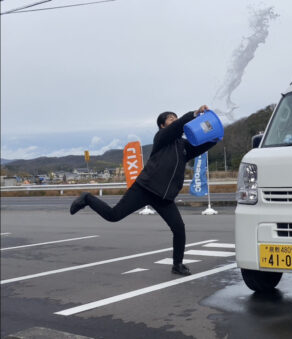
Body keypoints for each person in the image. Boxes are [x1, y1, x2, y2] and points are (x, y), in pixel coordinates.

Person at [69, 105, 217, 276]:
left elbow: (200, 146)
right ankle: (87, 198)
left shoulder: (183, 146)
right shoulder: (162, 138)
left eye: (176, 117)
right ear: (162, 125)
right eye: (171, 118)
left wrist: (214, 138)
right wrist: (194, 114)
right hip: (145, 188)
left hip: (165, 197)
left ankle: (177, 265)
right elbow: (177, 127)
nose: (175, 120)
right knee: (113, 216)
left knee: (179, 228)